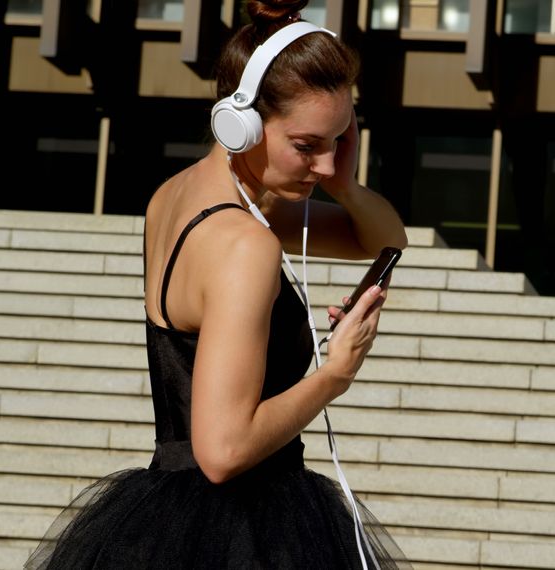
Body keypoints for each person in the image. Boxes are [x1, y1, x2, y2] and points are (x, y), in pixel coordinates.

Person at [24, 0, 411, 567]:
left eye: (338, 141)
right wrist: (336, 374)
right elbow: (223, 452)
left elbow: (382, 239)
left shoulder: (178, 196)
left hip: (167, 518)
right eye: (307, 146)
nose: (325, 167)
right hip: (242, 529)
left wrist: (348, 186)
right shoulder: (244, 244)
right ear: (241, 122)